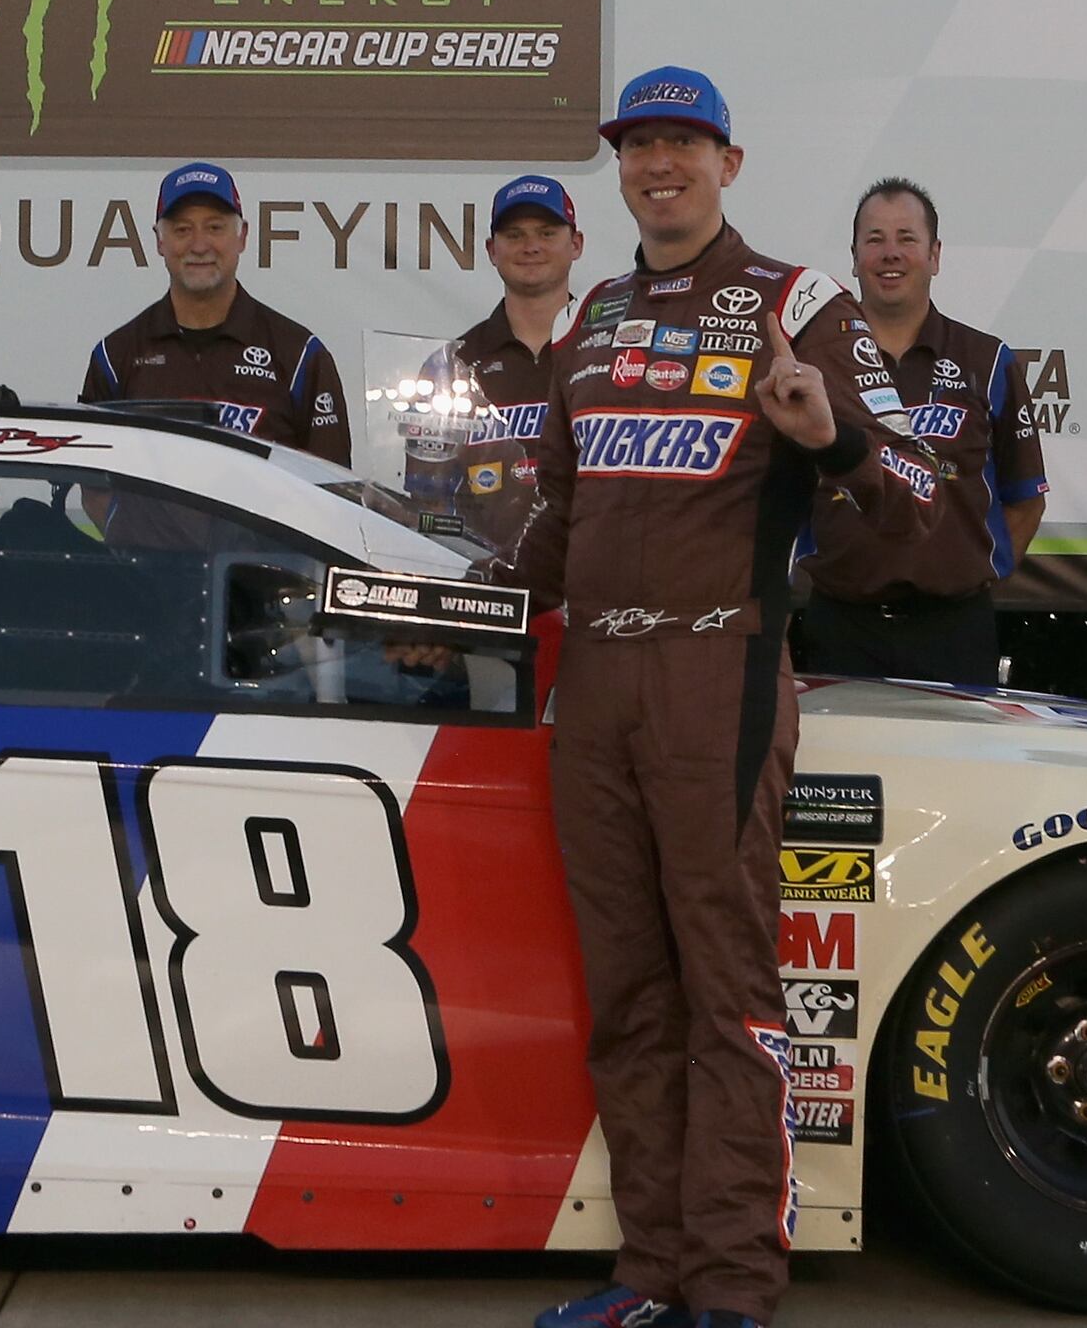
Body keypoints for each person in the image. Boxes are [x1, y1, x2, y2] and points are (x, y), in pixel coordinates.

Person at [517, 67, 933, 1328]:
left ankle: (737, 1286)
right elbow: (557, 517)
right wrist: (455, 613)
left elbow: (919, 505)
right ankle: (651, 1272)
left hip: (721, 669)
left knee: (727, 987)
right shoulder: (594, 313)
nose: (660, 165)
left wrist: (827, 437)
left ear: (728, 163)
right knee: (627, 994)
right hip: (595, 680)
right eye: (640, 145)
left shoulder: (798, 303)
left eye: (684, 144)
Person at [793, 177, 1048, 684]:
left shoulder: (987, 361)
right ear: (854, 257)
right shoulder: (813, 366)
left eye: (907, 239)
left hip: (954, 629)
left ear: (935, 255)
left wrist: (964, 574)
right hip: (839, 625)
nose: (891, 254)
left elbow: (1025, 501)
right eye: (875, 239)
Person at [78, 162, 351, 462]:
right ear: (159, 240)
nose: (199, 246)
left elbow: (332, 483)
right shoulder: (114, 356)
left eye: (214, 227)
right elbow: (95, 483)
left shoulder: (300, 356)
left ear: (242, 236)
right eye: (183, 229)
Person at [436, 174, 582, 559]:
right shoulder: (455, 363)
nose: (530, 246)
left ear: (576, 245)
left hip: (593, 571)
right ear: (491, 250)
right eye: (514, 235)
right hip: (488, 574)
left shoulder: (607, 347)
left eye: (547, 233)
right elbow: (429, 493)